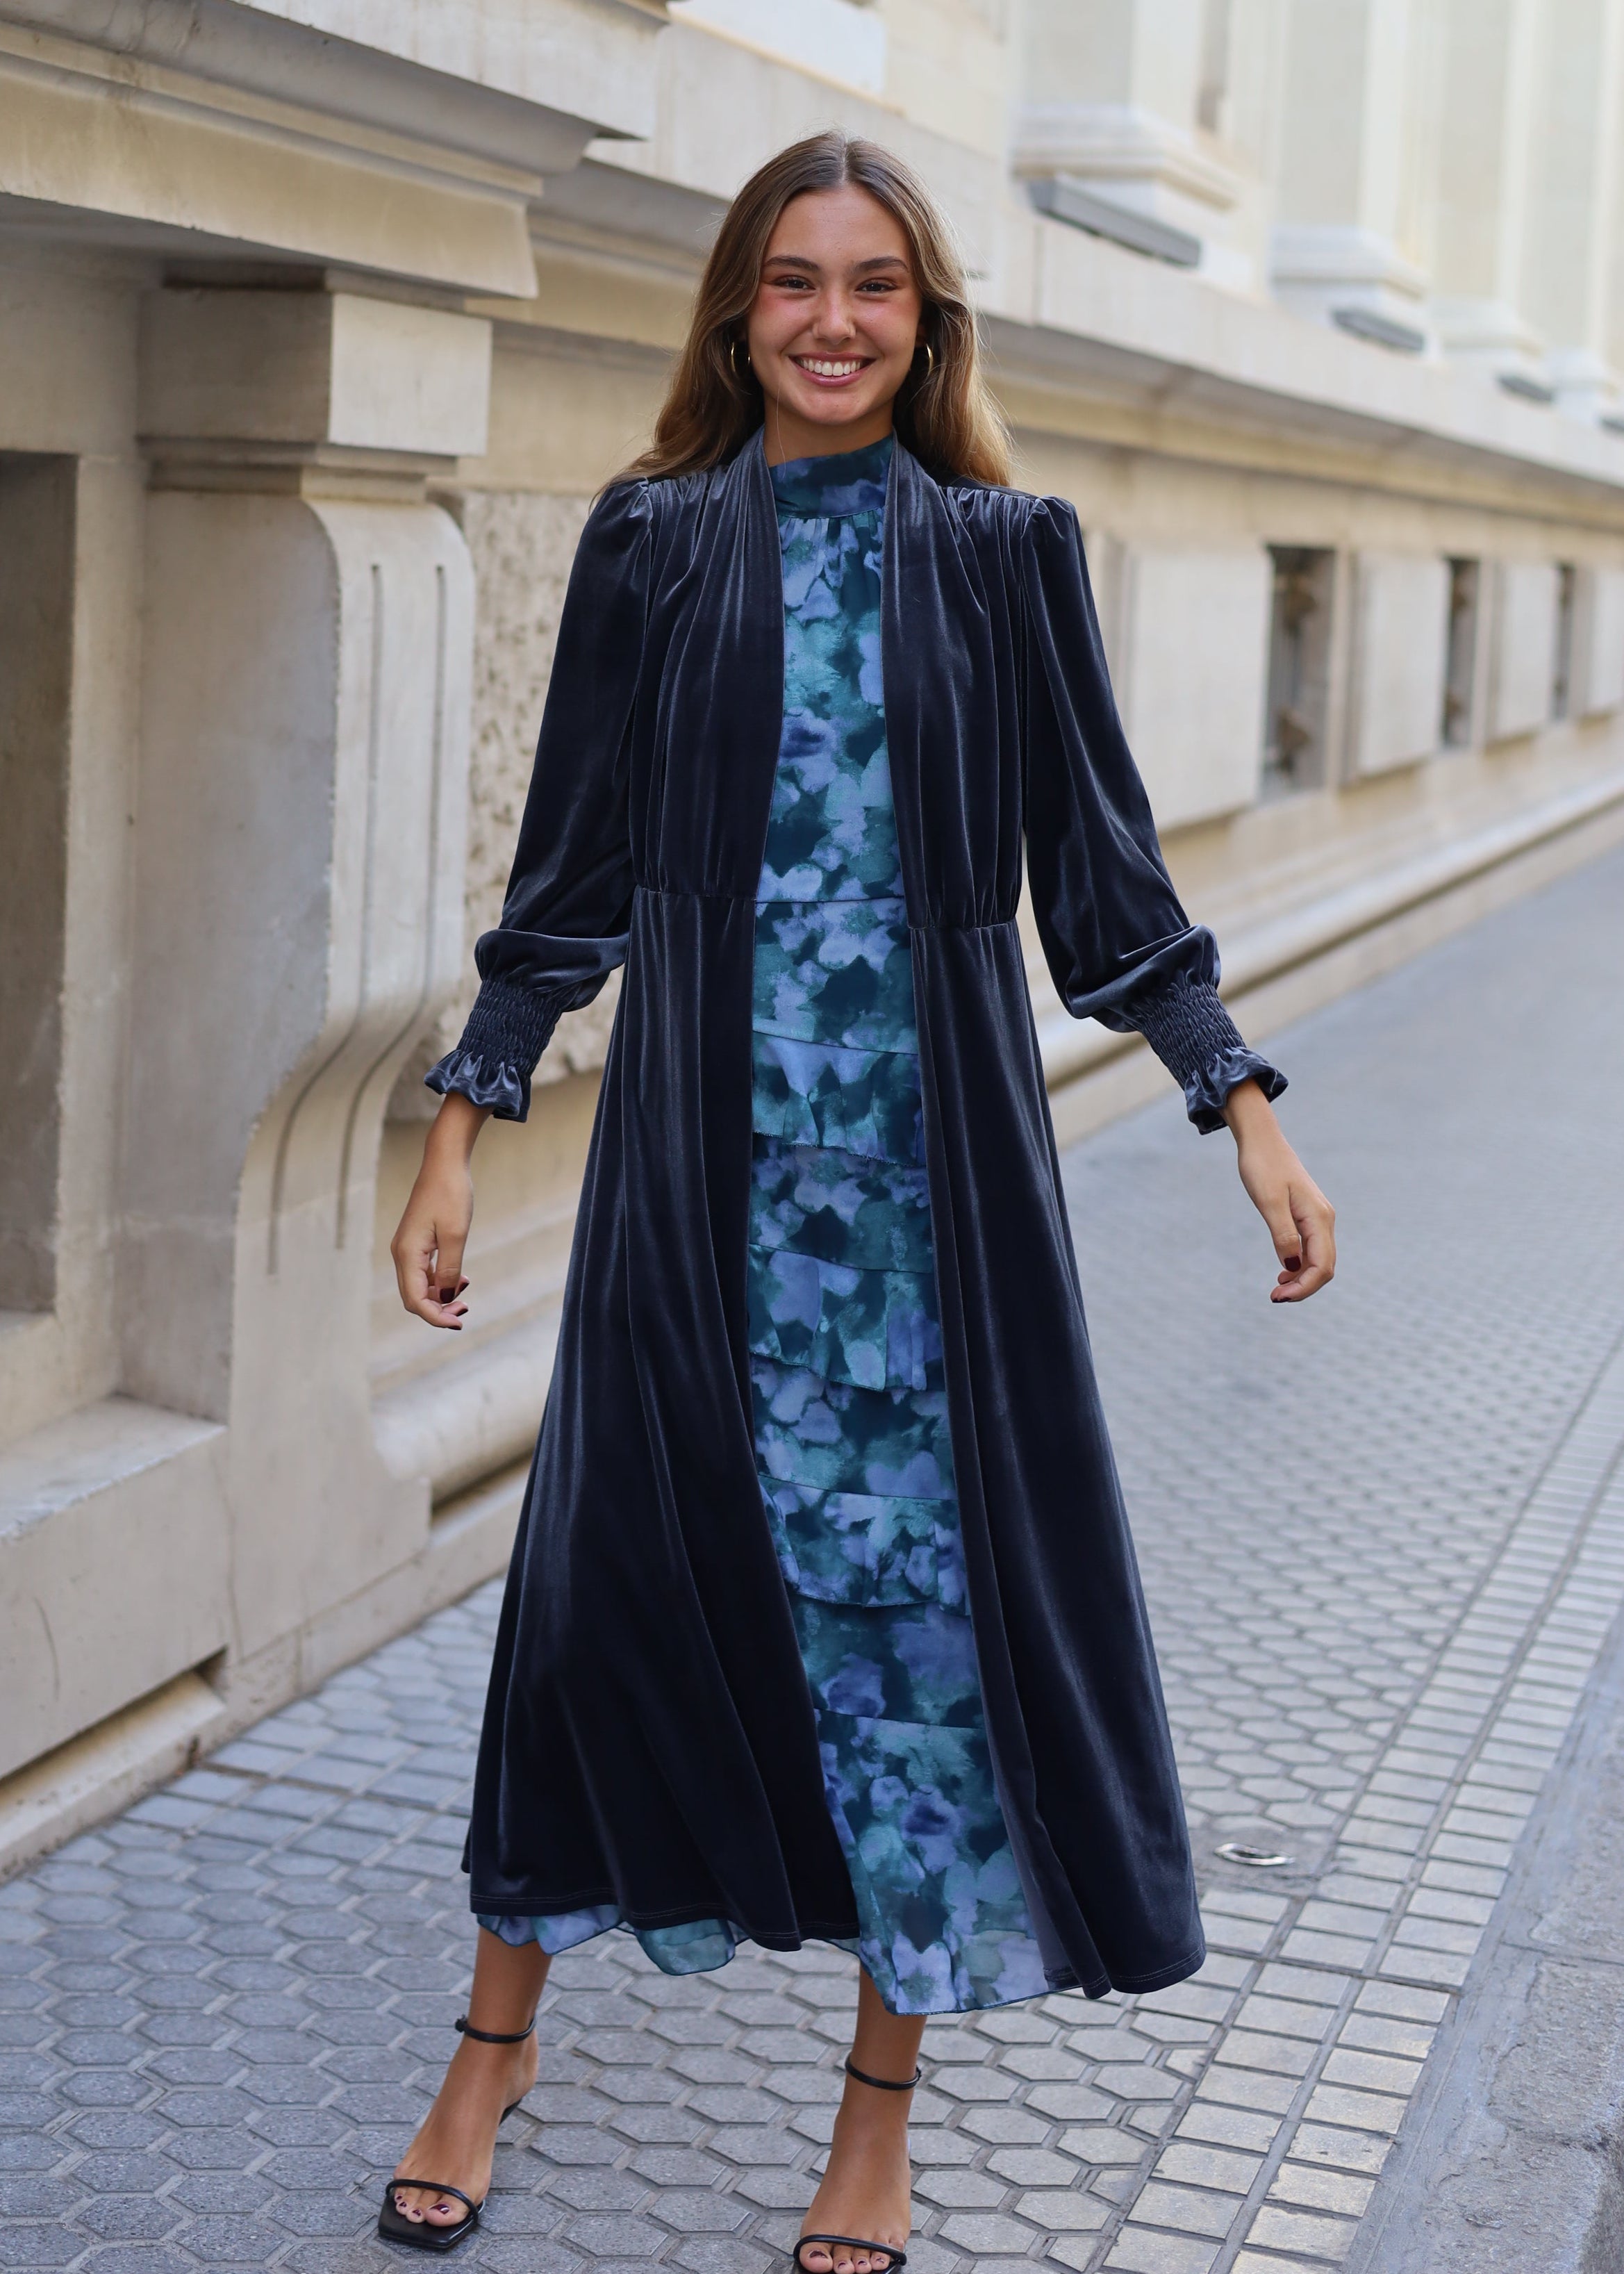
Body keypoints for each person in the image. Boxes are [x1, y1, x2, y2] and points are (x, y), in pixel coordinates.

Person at [378, 131, 1334, 2268]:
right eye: (795, 281)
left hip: (928, 1217)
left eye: (874, 284)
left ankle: (875, 2119)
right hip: (688, 1196)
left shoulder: (1004, 554)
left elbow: (1104, 885)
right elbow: (568, 878)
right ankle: (487, 2048)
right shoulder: (650, 542)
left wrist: (1237, 1100)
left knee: (919, 1641)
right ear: (738, 310)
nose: (832, 320)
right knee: (592, 1603)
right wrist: (464, 1114)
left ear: (926, 319)